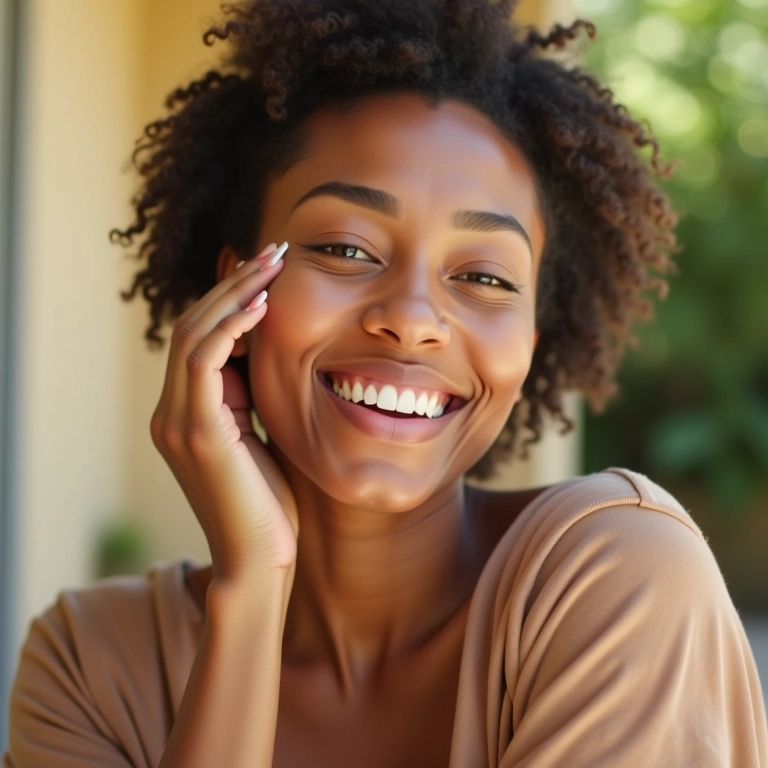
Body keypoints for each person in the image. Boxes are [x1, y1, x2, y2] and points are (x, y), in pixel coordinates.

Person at [4, 0, 767, 766]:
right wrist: (251, 591)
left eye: (482, 274)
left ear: (529, 343)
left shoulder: (619, 580)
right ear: (236, 293)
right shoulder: (89, 665)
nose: (411, 319)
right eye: (345, 248)